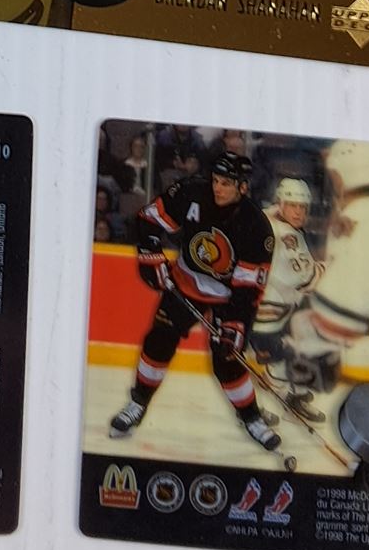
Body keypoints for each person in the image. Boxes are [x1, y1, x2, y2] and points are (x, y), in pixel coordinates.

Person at [107, 150, 281, 452]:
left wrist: (236, 325)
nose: (218, 188)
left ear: (243, 187)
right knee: (158, 342)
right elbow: (149, 219)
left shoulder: (257, 227)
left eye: (226, 183)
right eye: (215, 180)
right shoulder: (191, 192)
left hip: (228, 296)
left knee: (227, 360)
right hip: (185, 282)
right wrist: (150, 255)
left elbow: (248, 288)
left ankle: (252, 418)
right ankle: (138, 403)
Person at [253, 177, 327, 420]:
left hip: (268, 308)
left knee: (299, 348)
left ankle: (294, 395)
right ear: (281, 204)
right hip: (268, 316)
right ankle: (266, 406)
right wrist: (329, 268)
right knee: (281, 361)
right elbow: (306, 279)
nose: (299, 212)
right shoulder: (287, 237)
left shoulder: (268, 217)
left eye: (303, 207)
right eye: (293, 205)